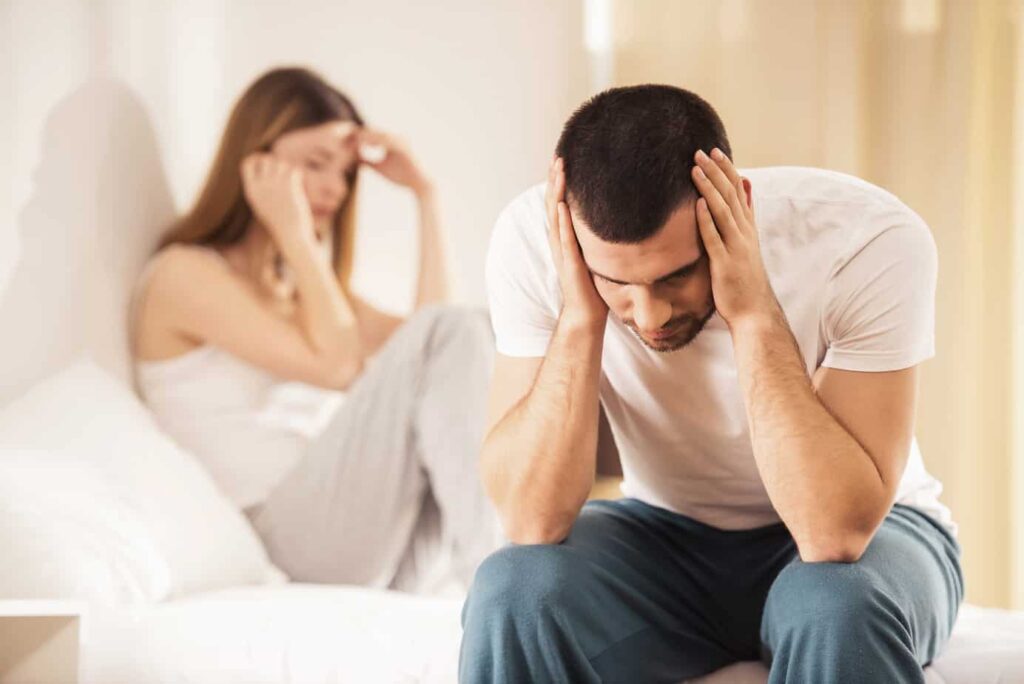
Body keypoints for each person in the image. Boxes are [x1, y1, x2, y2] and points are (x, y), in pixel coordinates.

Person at [460, 84, 963, 683]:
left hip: (873, 536)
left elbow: (835, 535)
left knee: (835, 606)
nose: (648, 317)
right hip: (663, 538)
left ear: (737, 205)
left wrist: (751, 311)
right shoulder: (531, 241)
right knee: (513, 590)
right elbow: (531, 521)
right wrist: (579, 318)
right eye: (616, 281)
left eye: (675, 276)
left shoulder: (866, 240)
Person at [129, 67, 502, 595]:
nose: (335, 187)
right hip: (281, 535)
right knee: (451, 331)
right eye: (315, 164)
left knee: (475, 331)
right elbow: (339, 366)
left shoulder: (307, 292)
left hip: (348, 535)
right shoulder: (183, 274)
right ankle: (510, 592)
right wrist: (297, 238)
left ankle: (497, 583)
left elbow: (445, 353)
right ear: (255, 164)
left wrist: (426, 195)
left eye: (347, 172)